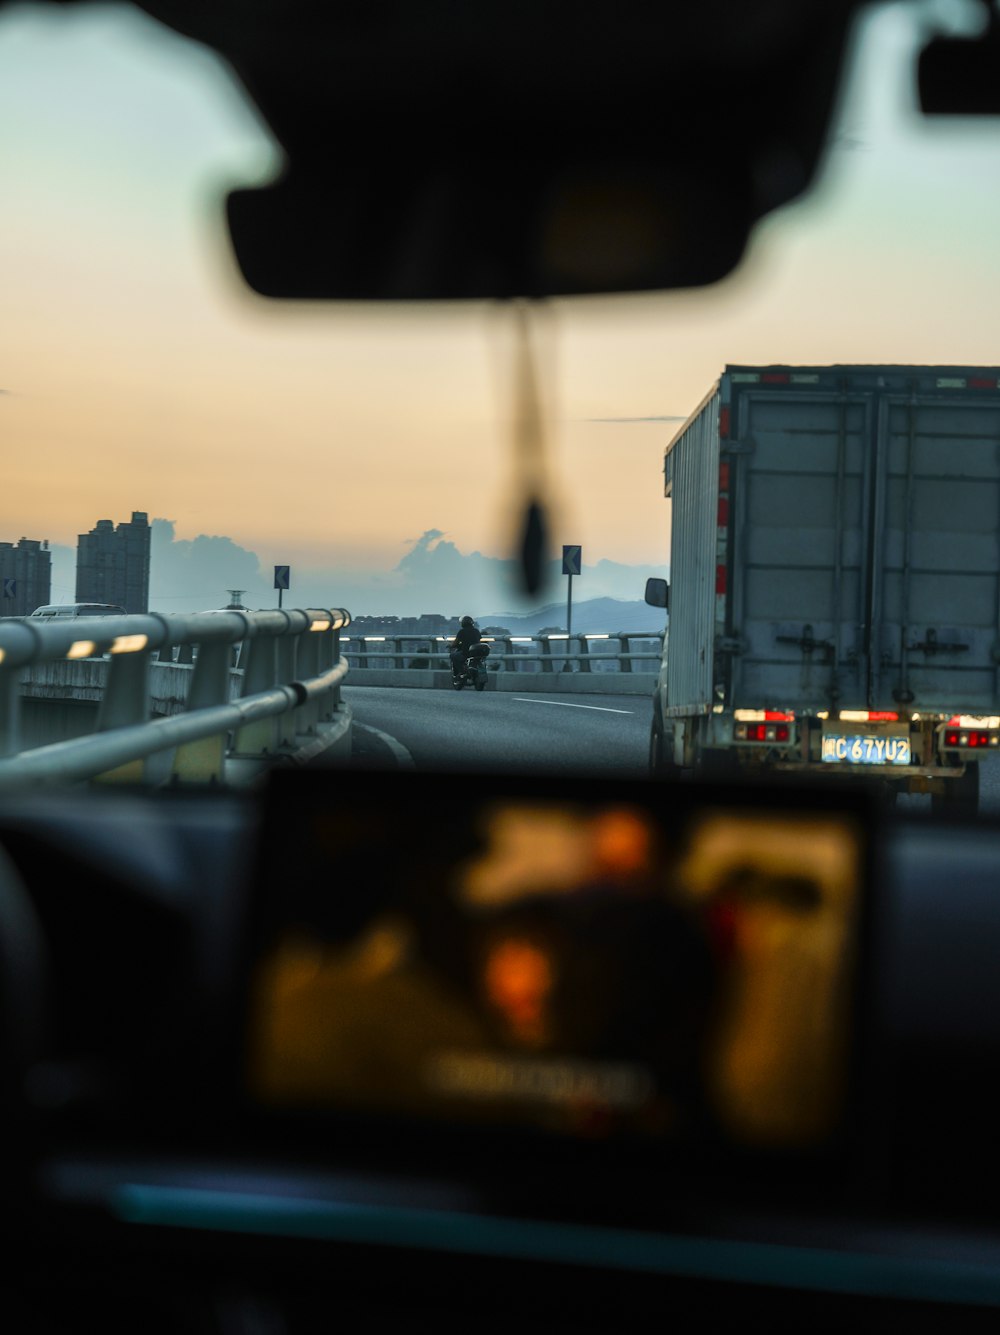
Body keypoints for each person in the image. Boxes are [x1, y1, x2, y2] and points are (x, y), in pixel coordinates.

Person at [449, 615, 482, 681]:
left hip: (466, 652)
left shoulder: (462, 631)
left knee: (452, 656)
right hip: (477, 652)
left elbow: (456, 643)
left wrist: (451, 646)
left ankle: (462, 672)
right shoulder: (476, 631)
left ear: (463, 623)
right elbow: (478, 640)